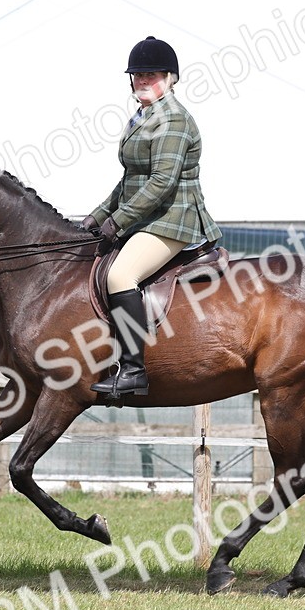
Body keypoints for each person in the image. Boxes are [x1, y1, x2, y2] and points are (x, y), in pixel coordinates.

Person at [81, 35, 222, 398]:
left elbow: (162, 182)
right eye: (137, 74)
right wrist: (96, 218)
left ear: (170, 77)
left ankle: (133, 370)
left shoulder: (173, 119)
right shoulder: (141, 117)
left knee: (120, 274)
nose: (143, 80)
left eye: (152, 74)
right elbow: (130, 180)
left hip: (174, 219)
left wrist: (118, 222)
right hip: (147, 217)